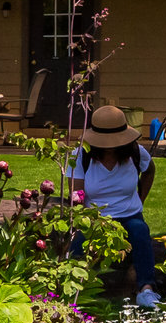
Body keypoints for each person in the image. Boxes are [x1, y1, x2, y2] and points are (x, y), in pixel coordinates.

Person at [68, 104, 160, 308]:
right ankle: (72, 293)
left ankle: (146, 290)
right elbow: (76, 194)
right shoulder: (81, 157)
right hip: (95, 218)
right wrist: (87, 220)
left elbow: (150, 171)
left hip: (129, 215)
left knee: (140, 231)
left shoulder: (136, 153)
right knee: (78, 244)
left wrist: (140, 199)